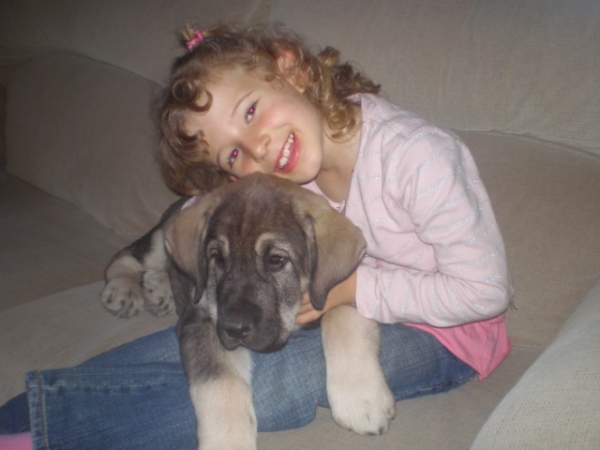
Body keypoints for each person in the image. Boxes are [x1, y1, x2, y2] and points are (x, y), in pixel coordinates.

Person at [0, 23, 512, 450]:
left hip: (450, 333)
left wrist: (348, 293)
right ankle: (18, 415)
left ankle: (41, 434)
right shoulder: (291, 180)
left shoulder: (419, 159)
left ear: (291, 69)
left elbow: (485, 292)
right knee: (175, 345)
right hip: (343, 302)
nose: (259, 149)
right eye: (234, 155)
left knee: (276, 386)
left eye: (250, 112)